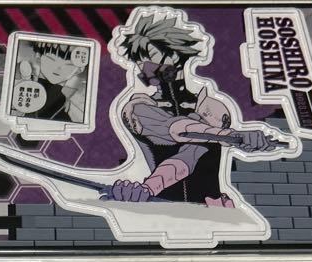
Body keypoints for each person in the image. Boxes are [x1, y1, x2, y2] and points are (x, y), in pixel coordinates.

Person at [106, 11, 276, 205]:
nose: (145, 69)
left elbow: (189, 155)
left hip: (213, 210)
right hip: (162, 209)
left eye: (151, 58)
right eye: (140, 63)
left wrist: (147, 188)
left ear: (174, 55)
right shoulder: (137, 108)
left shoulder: (211, 106)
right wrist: (233, 136)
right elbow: (177, 129)